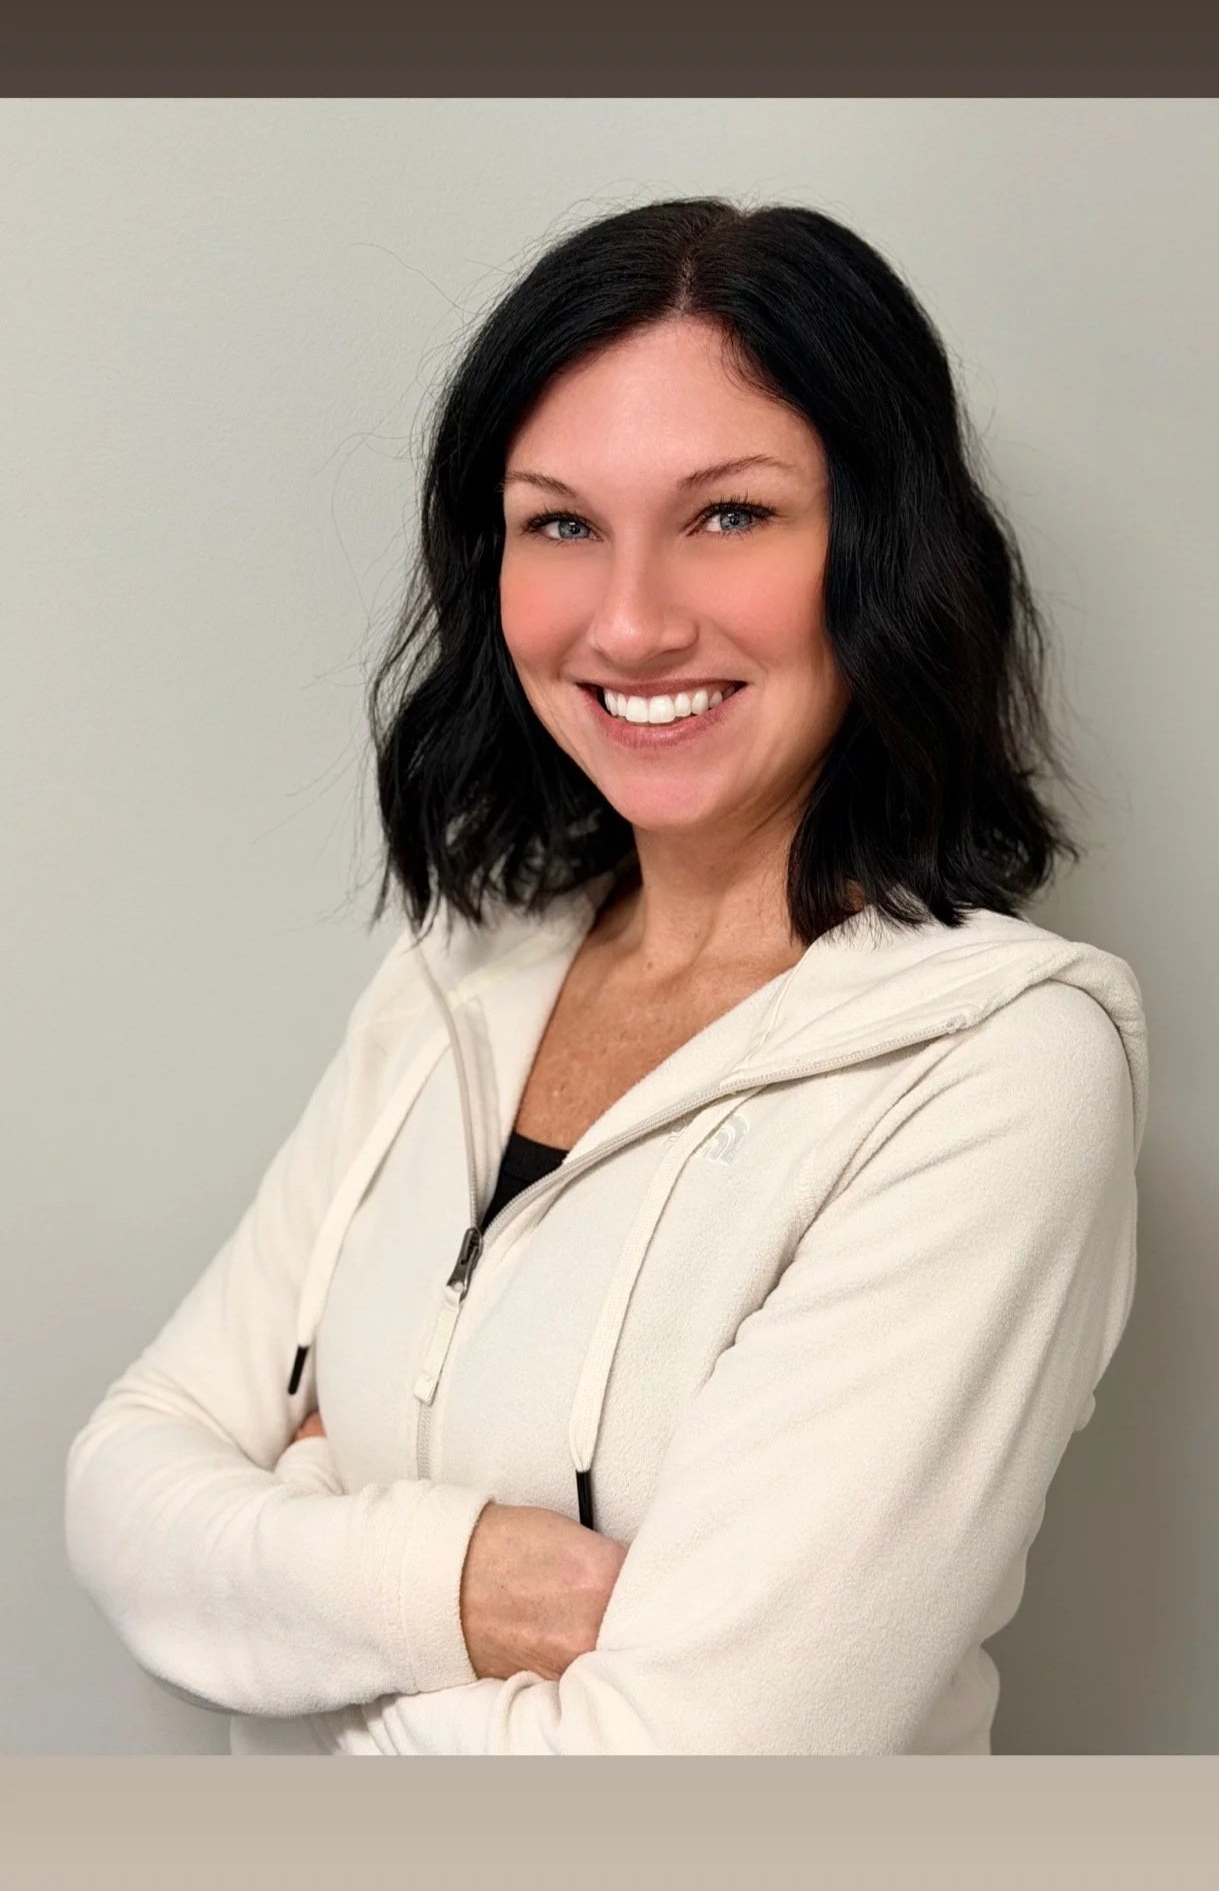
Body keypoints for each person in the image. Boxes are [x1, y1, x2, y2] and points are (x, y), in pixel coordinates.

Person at [64, 196, 1147, 1755]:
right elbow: (128, 1484)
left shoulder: (999, 1067)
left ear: (881, 545)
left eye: (729, 515)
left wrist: (296, 1546)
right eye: (559, 522)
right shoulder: (463, 971)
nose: (631, 624)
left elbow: (689, 1768)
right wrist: (456, 1581)